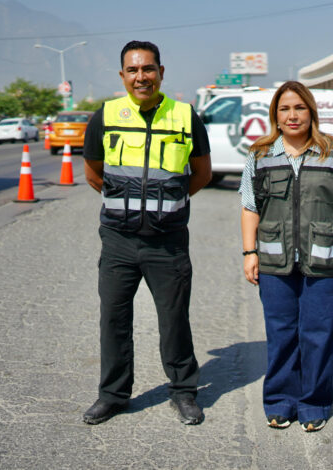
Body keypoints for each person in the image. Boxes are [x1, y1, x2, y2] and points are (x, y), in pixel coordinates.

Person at [81, 40, 212, 426]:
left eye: (148, 69)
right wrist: (129, 204)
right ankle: (113, 395)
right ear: (123, 75)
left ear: (161, 72)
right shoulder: (105, 116)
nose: (142, 76)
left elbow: (201, 174)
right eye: (133, 70)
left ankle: (184, 391)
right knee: (114, 319)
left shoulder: (186, 117)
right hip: (119, 240)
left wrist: (165, 205)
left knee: (174, 319)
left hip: (167, 242)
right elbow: (93, 174)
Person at [239, 81, 333, 432]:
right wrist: (250, 252)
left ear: (311, 112)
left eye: (299, 108)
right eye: (284, 109)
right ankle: (279, 401)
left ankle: (314, 403)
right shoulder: (259, 154)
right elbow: (250, 207)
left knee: (319, 334)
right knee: (281, 333)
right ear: (275, 115)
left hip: (325, 259)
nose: (292, 116)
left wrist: (318, 220)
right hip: (275, 261)